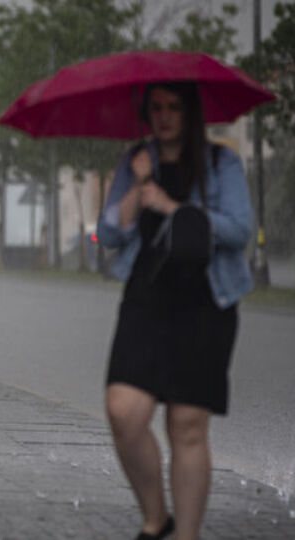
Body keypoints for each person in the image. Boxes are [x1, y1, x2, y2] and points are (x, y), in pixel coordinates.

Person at [96, 81, 254, 540]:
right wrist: (141, 183)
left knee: (186, 425)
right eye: (157, 107)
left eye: (174, 107)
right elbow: (109, 232)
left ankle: (185, 534)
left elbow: (239, 229)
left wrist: (173, 206)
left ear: (191, 113)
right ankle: (155, 518)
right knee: (123, 410)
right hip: (146, 298)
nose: (164, 115)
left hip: (205, 302)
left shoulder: (221, 162)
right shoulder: (134, 161)